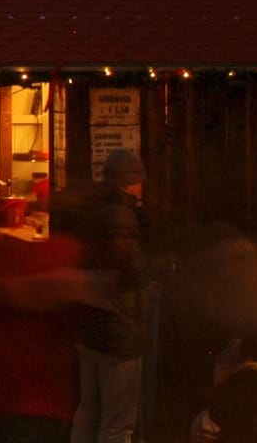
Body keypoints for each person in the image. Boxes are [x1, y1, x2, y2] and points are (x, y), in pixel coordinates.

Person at [70, 149, 148, 443]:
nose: (142, 187)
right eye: (139, 181)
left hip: (89, 325)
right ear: (128, 183)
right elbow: (128, 268)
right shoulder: (123, 218)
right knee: (118, 422)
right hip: (117, 328)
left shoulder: (94, 211)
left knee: (89, 410)